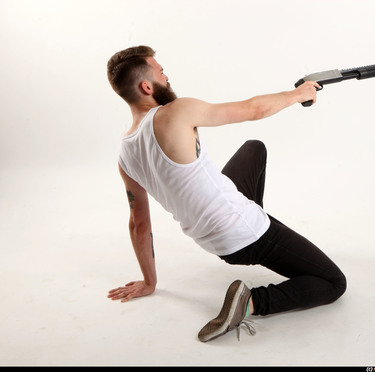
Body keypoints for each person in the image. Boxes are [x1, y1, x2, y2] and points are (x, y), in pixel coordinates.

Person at [106, 45, 346, 342]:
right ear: (146, 86)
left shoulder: (125, 155)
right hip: (241, 233)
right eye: (161, 72)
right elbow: (254, 109)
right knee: (333, 282)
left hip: (212, 238)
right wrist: (300, 94)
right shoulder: (175, 112)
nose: (167, 77)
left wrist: (149, 281)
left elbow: (138, 224)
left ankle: (251, 218)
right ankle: (250, 301)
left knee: (253, 148)